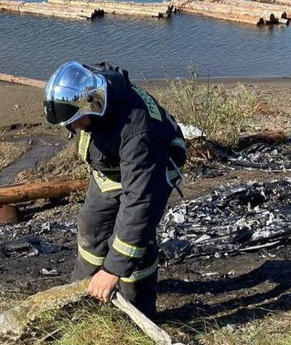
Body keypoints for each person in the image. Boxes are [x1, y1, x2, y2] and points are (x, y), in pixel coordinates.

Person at [43, 61, 186, 317]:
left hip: (153, 169)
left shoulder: (139, 133)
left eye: (76, 122)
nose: (73, 129)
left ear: (90, 105)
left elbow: (140, 205)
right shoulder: (94, 88)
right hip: (111, 169)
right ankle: (84, 294)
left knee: (135, 242)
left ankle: (138, 312)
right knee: (92, 227)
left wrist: (112, 271)